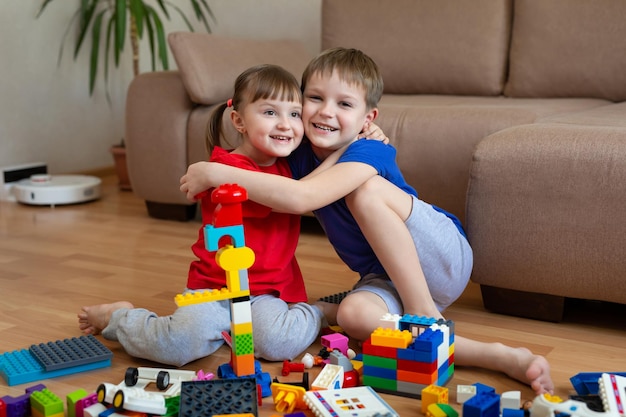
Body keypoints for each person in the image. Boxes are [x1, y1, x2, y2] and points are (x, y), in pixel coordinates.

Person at [179, 47, 555, 394]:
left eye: (344, 103)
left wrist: (213, 173)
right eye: (314, 98)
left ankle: (424, 313)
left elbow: (301, 198)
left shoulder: (370, 148)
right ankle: (494, 355)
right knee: (353, 316)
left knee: (366, 191)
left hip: (440, 256)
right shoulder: (296, 156)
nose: (326, 111)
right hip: (385, 275)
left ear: (367, 118)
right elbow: (271, 182)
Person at [78, 64, 326, 366]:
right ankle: (118, 317)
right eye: (270, 113)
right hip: (214, 287)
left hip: (267, 292)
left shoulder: (291, 164)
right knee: (179, 344)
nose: (286, 124)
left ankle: (320, 312)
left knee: (277, 345)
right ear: (239, 120)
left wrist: (365, 135)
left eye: (295, 114)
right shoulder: (224, 168)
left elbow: (332, 158)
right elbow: (287, 199)